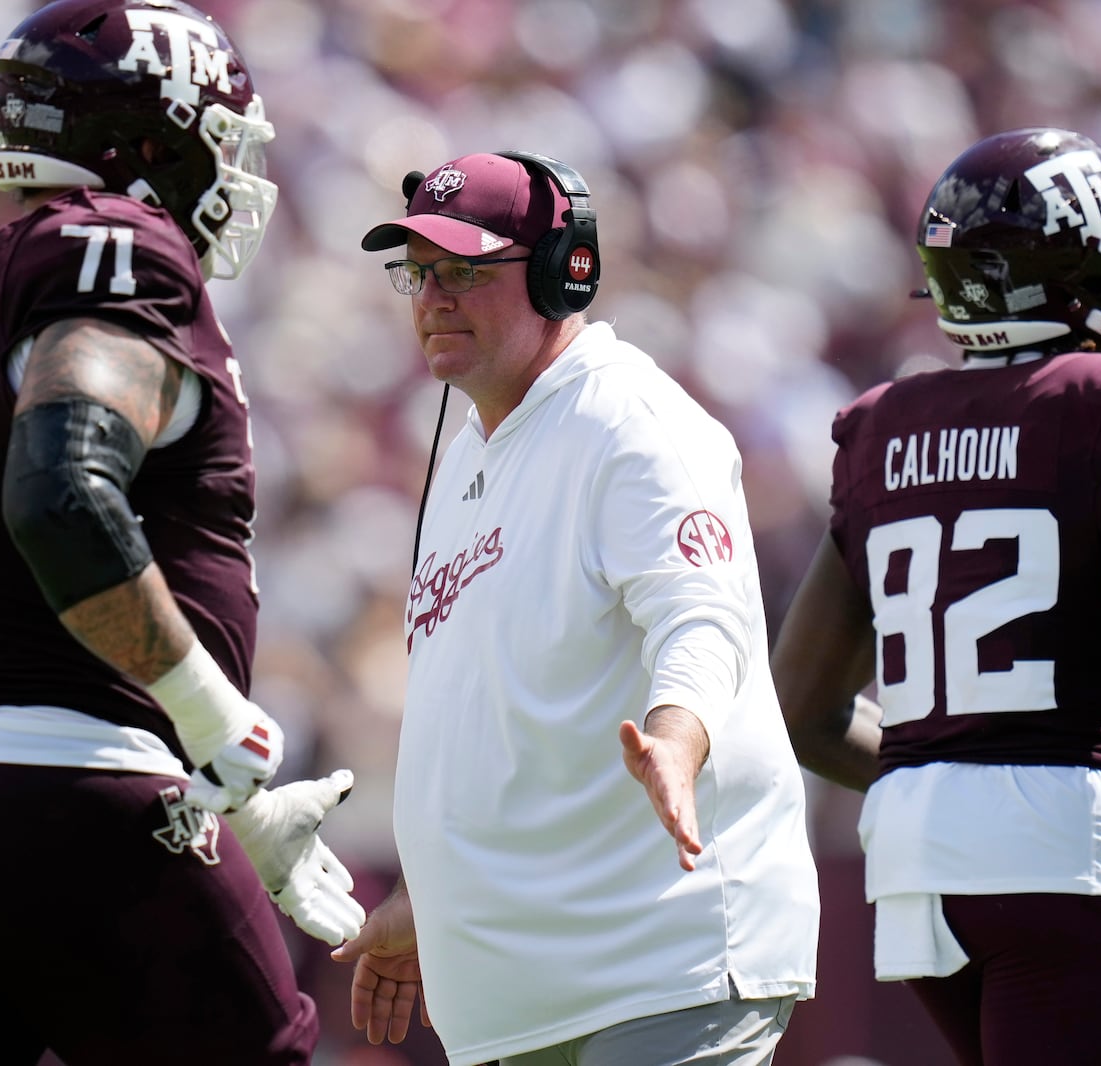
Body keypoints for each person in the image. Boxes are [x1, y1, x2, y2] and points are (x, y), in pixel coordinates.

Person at [0, 2, 362, 1063]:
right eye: (211, 137)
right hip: (76, 789)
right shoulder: (116, 248)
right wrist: (215, 730)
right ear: (143, 141)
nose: (227, 171)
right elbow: (63, 494)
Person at [770, 127, 1101, 1066]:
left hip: (914, 867)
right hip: (1065, 851)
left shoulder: (881, 425)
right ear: (1064, 274)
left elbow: (801, 707)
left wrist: (955, 771)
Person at [331, 150, 821, 1066]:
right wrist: (438, 897)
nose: (433, 297)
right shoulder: (476, 442)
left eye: (467, 271)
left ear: (565, 274)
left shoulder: (632, 423)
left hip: (656, 963)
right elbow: (495, 707)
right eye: (420, 272)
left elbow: (702, 618)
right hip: (531, 990)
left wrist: (677, 739)